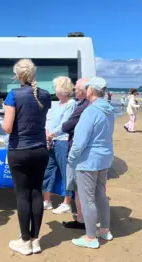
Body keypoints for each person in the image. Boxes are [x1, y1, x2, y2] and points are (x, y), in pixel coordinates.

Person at [2, 59, 51, 255]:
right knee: (36, 192)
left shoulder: (13, 95)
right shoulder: (45, 95)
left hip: (19, 150)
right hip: (40, 149)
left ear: (17, 75)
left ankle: (25, 241)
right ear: (34, 73)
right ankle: (35, 240)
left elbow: (7, 127)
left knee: (23, 195)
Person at [68, 77, 115, 249]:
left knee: (88, 199)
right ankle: (104, 230)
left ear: (91, 91)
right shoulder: (110, 110)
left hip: (89, 160)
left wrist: (71, 158)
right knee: (101, 195)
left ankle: (90, 237)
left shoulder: (90, 111)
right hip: (104, 158)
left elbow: (80, 142)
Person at [43, 76, 77, 214]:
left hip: (63, 141)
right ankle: (47, 200)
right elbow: (50, 121)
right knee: (48, 170)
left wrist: (51, 134)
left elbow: (65, 124)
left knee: (65, 172)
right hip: (53, 140)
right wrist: (47, 133)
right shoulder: (57, 104)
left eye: (54, 87)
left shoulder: (71, 103)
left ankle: (67, 202)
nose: (53, 90)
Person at [60, 78, 90, 230]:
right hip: (88, 152)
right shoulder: (90, 105)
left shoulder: (82, 107)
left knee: (78, 188)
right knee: (83, 189)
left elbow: (67, 126)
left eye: (77, 89)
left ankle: (81, 220)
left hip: (77, 151)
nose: (74, 91)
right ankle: (83, 219)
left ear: (85, 91)